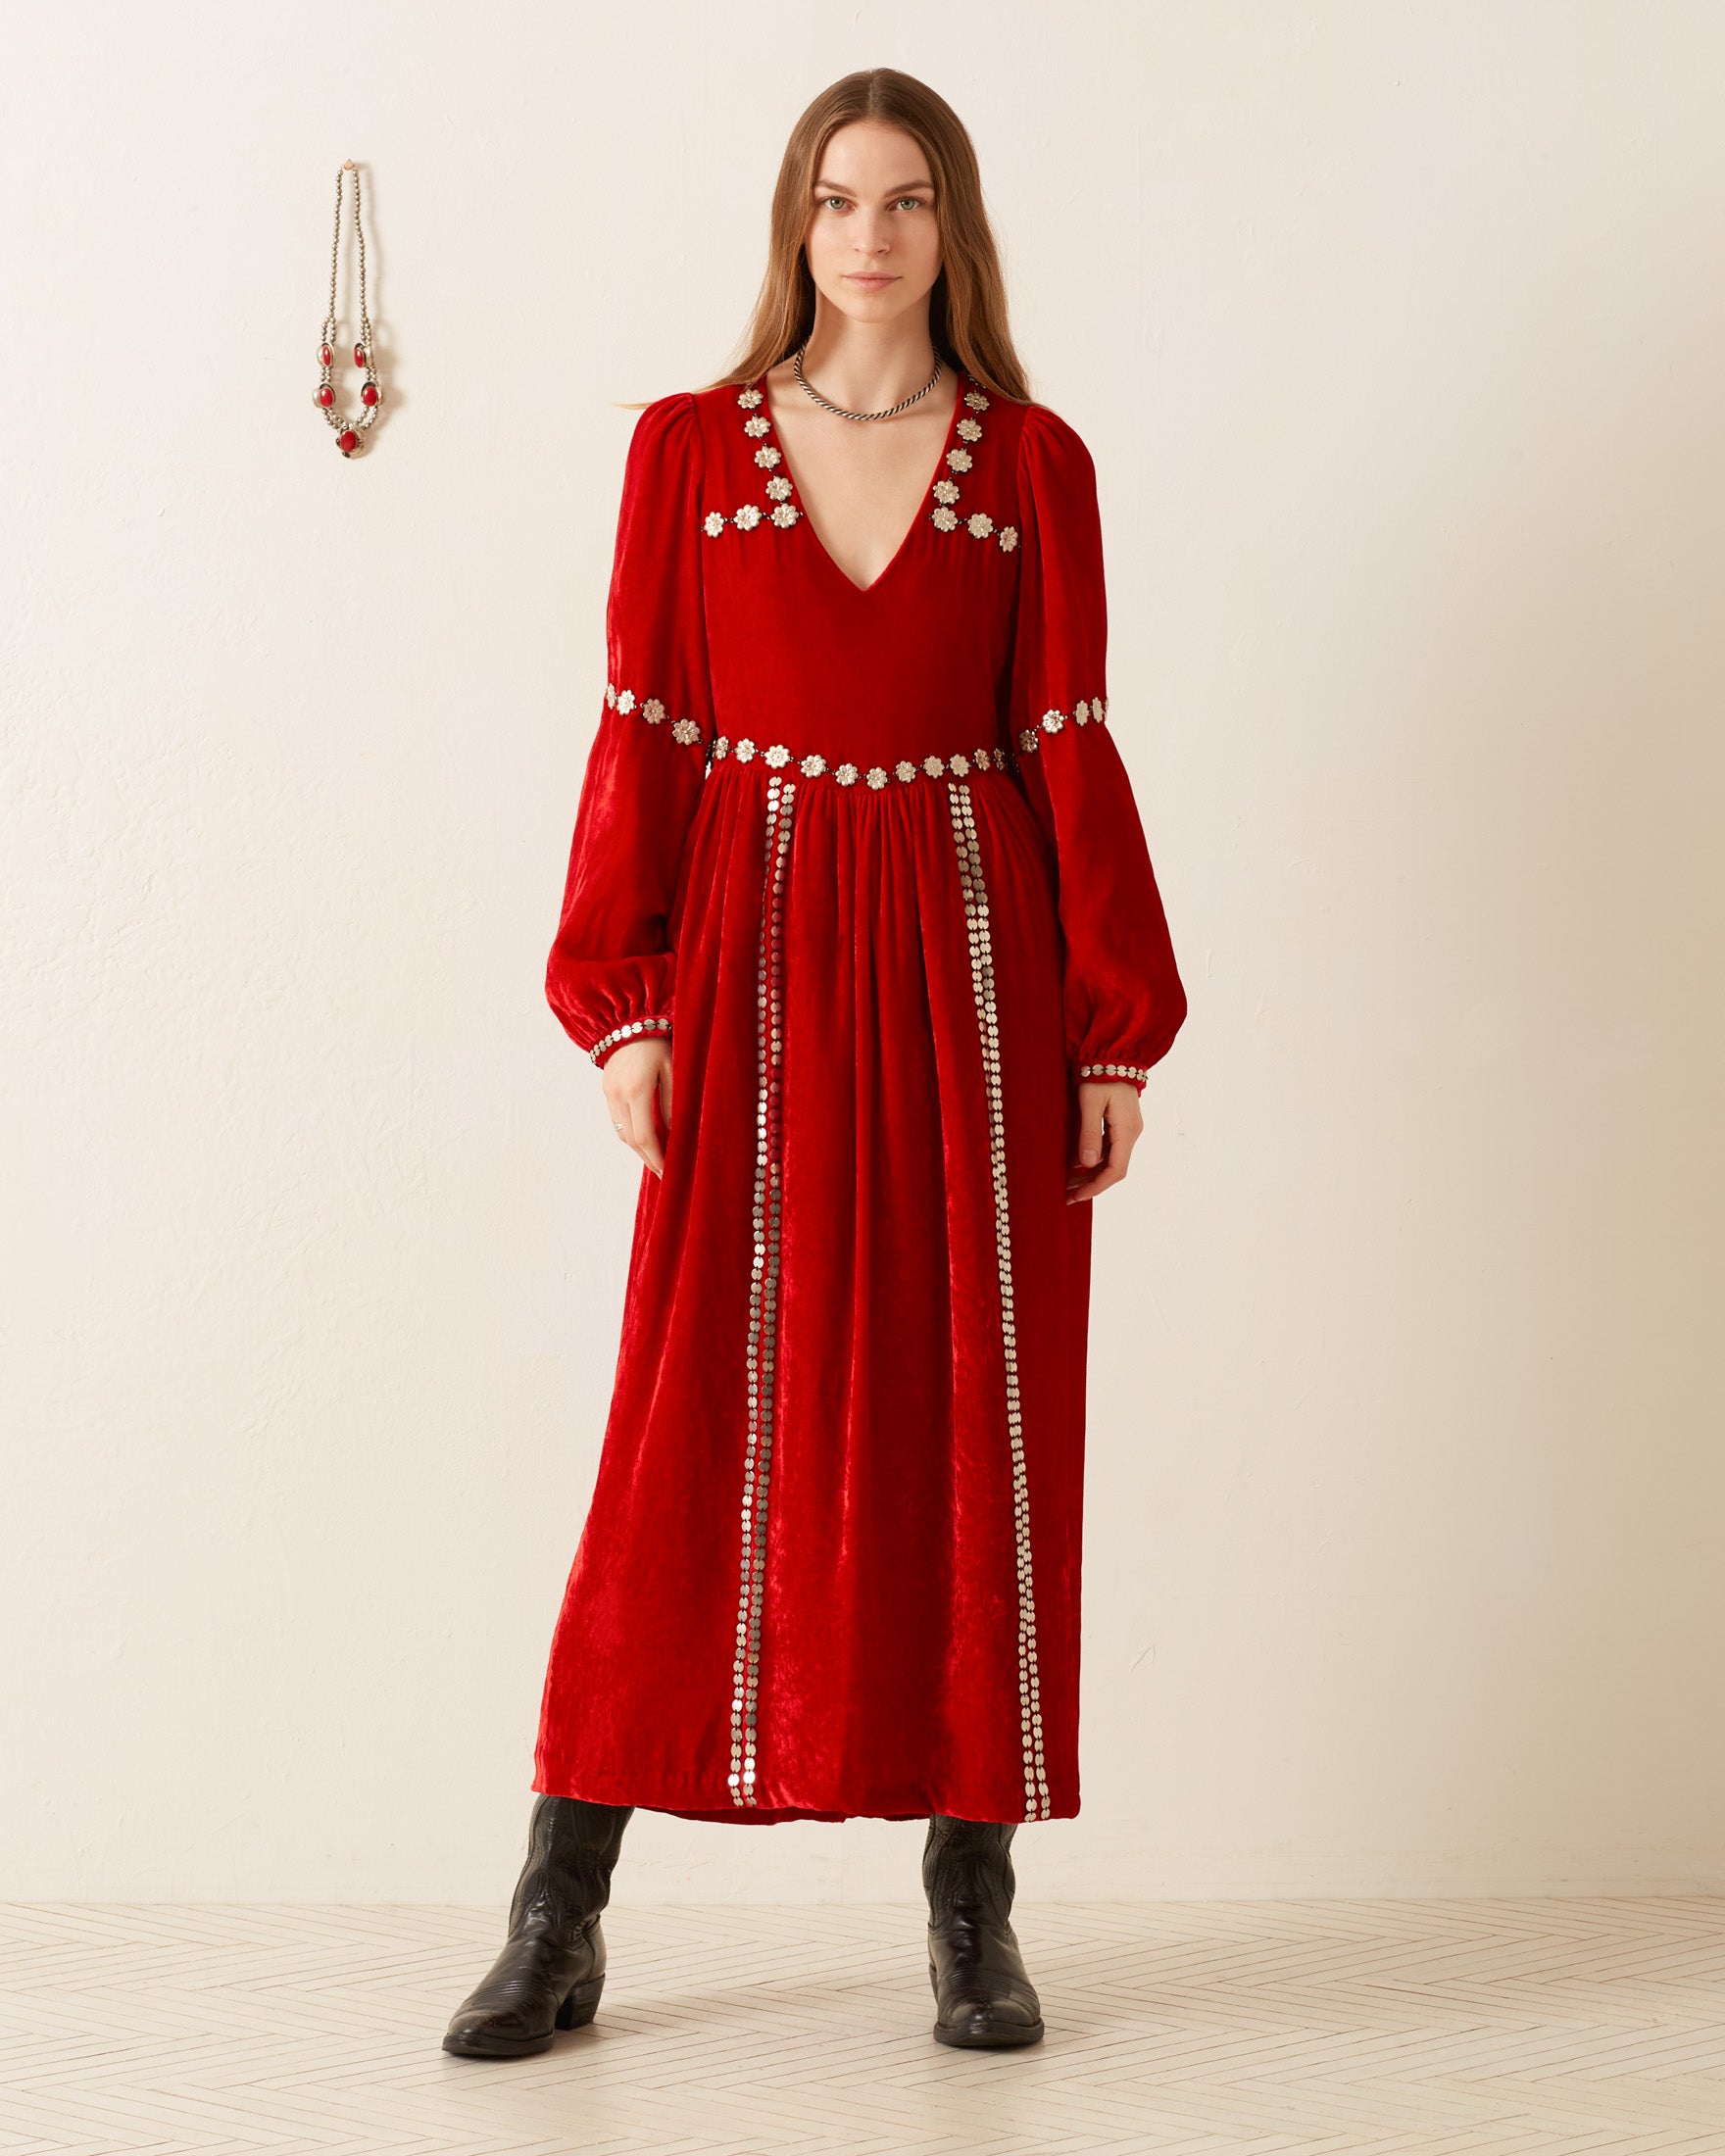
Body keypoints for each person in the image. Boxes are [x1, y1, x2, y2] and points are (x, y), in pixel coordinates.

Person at [444, 65, 1188, 2061]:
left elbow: (1065, 747)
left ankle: (970, 1906)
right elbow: (651, 738)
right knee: (686, 1429)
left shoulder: (1031, 465)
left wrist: (1111, 1022)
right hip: (758, 966)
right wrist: (632, 996)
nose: (868, 235)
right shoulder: (687, 452)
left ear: (954, 230)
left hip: (968, 969)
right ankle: (558, 1904)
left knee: (978, 1417)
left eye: (907, 200)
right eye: (837, 198)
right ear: (794, 223)